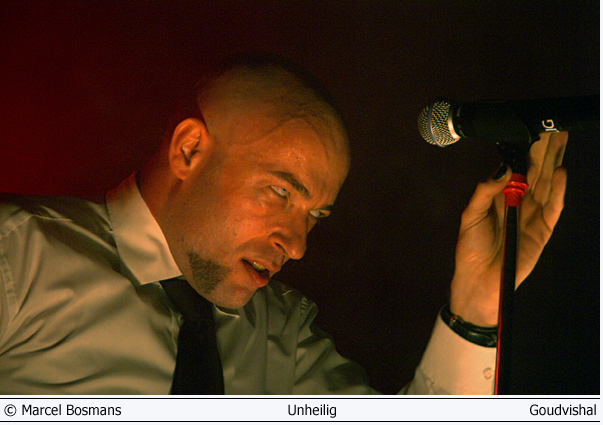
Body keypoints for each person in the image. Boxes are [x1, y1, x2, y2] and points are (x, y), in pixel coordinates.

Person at [0, 53, 567, 394]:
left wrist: (476, 312)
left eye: (315, 216)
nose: (297, 246)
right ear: (189, 150)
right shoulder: (19, 256)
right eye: (280, 192)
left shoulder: (283, 336)